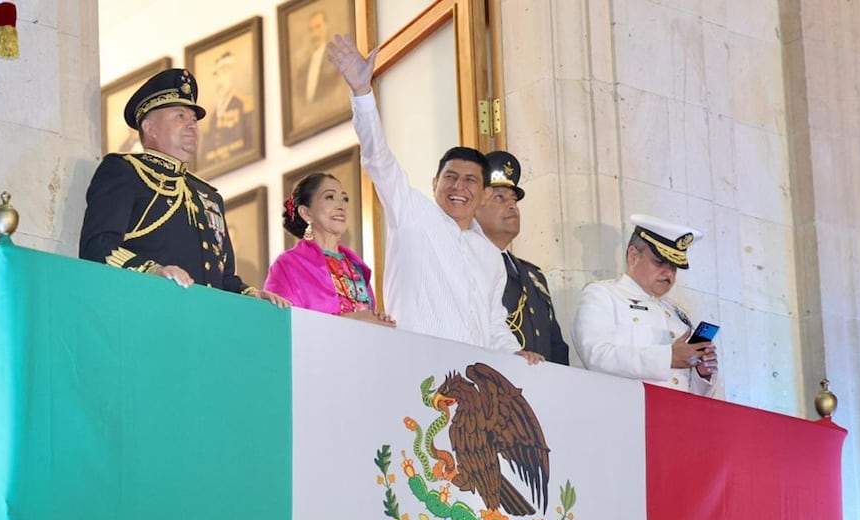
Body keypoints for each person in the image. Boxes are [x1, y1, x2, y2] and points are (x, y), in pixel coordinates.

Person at [326, 35, 542, 364]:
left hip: (472, 382)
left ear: (483, 194)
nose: (459, 186)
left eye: (470, 180)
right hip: (415, 369)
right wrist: (362, 93)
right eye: (450, 177)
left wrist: (517, 356)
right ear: (435, 182)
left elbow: (494, 324)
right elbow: (378, 159)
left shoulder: (490, 255)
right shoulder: (413, 213)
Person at [79, 68, 287, 306]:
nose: (192, 125)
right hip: (147, 312)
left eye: (194, 119)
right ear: (150, 128)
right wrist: (152, 271)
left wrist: (252, 295)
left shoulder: (208, 195)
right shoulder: (125, 171)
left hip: (202, 323)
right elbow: (97, 248)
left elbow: (223, 279)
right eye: (180, 116)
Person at [572, 214, 720, 396]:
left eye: (674, 267)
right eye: (659, 262)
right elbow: (597, 356)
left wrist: (701, 373)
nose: (668, 273)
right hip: (626, 414)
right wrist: (669, 358)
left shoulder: (677, 314)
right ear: (633, 256)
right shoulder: (603, 295)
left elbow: (689, 390)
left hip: (678, 416)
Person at [474, 150, 570, 365]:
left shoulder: (532, 274)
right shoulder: (468, 262)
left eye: (514, 200)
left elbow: (556, 345)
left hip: (540, 387)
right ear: (475, 207)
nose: (512, 206)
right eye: (500, 198)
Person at [264, 172, 395, 327]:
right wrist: (352, 320)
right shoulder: (288, 265)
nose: (341, 206)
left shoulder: (356, 268)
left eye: (345, 199)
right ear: (306, 213)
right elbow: (278, 326)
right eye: (330, 197)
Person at [198, 51, 254, 167]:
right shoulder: (211, 116)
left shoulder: (245, 105)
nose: (220, 80)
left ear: (233, 76)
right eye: (216, 75)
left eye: (224, 73)